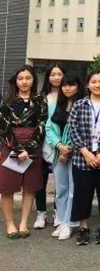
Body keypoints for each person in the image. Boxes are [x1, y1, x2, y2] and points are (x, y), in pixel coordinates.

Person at [69, 70, 100, 246]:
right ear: (88, 85)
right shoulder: (79, 105)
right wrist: (85, 152)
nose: (97, 85)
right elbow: (73, 129)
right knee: (82, 193)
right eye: (94, 82)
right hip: (82, 158)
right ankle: (83, 228)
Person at [0, 65, 49, 239]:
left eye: (28, 78)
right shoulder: (7, 102)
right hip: (10, 147)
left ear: (33, 80)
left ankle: (23, 223)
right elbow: (3, 128)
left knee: (30, 187)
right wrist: (18, 149)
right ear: (15, 81)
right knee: (7, 187)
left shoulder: (40, 100)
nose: (24, 82)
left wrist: (28, 148)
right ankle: (10, 224)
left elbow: (42, 125)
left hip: (33, 148)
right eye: (20, 78)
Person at [45, 72, 84, 241]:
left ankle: (69, 222)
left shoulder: (82, 105)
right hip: (58, 153)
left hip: (76, 154)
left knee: (73, 189)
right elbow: (48, 128)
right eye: (64, 85)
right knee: (60, 189)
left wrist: (69, 149)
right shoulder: (56, 105)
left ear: (78, 86)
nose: (67, 88)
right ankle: (61, 221)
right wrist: (60, 146)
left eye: (71, 84)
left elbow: (83, 130)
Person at [34, 63, 66, 229]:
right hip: (42, 144)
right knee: (40, 180)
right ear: (48, 77)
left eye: (59, 74)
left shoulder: (68, 96)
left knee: (60, 181)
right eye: (53, 74)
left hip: (62, 144)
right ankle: (41, 213)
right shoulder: (41, 97)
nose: (56, 78)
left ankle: (57, 211)